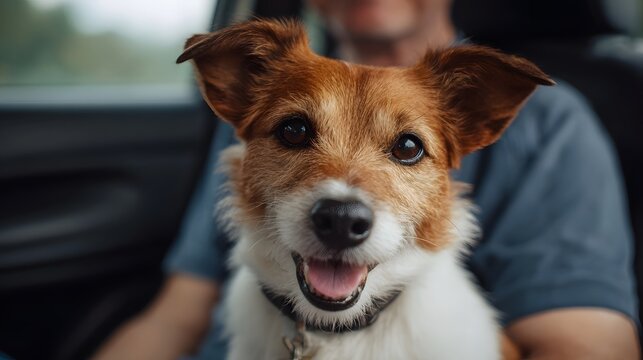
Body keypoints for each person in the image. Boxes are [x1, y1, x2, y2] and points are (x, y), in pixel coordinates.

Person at [94, 0, 640, 359]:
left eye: (406, 148)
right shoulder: (257, 111)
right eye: (296, 133)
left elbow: (591, 349)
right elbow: (174, 317)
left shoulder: (554, 124)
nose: (343, 200)